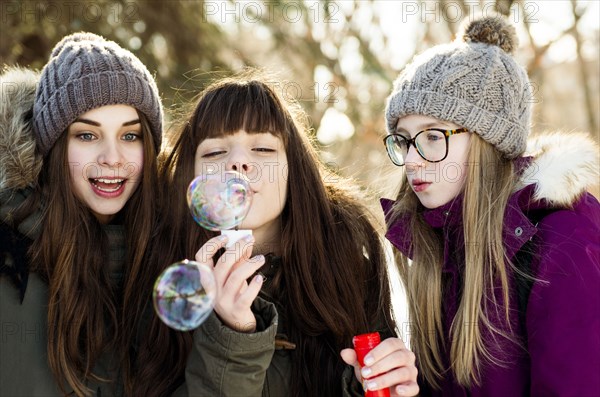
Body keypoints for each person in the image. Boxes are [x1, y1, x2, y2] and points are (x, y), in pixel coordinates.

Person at [155, 72, 419, 396]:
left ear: (292, 168)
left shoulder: (348, 271)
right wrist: (233, 338)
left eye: (263, 149)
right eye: (214, 153)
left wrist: (383, 386)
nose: (238, 162)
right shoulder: (165, 279)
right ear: (189, 177)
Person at [381, 16, 600, 396]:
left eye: (433, 136)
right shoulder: (437, 248)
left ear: (488, 143)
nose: (413, 160)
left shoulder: (561, 244)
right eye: (403, 140)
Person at [0, 33, 187, 396]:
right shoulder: (9, 254)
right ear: (54, 147)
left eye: (130, 137)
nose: (112, 158)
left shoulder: (172, 257)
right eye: (87, 136)